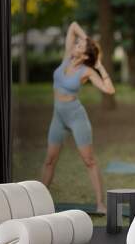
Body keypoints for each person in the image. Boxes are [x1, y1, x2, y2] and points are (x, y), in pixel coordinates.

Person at [41, 22, 115, 214]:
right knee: (49, 160)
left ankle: (100, 203)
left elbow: (109, 90)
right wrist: (87, 39)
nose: (75, 45)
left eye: (80, 46)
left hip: (75, 116)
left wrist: (100, 66)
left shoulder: (87, 71)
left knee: (89, 160)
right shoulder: (67, 57)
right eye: (76, 44)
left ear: (84, 55)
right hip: (58, 115)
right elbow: (73, 26)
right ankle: (37, 200)